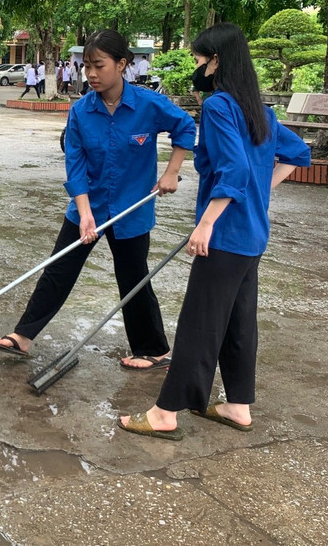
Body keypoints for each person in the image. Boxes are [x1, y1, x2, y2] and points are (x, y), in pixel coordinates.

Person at [118, 23, 310, 441]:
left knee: (200, 324)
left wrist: (205, 224)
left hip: (224, 237)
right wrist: (259, 192)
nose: (196, 67)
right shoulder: (260, 109)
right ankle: (237, 406)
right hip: (253, 236)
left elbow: (235, 170)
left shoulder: (221, 106)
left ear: (217, 60)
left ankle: (165, 413)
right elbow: (299, 153)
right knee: (239, 323)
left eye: (199, 60)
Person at [0, 29, 195, 367]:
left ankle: (154, 350)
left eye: (99, 65)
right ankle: (22, 337)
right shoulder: (81, 112)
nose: (92, 74)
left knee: (133, 278)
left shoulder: (148, 105)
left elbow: (186, 127)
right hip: (88, 206)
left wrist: (171, 171)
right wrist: (85, 213)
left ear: (122, 64)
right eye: (87, 67)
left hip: (131, 211)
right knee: (59, 269)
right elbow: (77, 166)